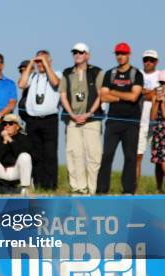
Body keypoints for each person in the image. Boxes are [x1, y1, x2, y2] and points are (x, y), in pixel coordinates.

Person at [98, 42, 144, 195]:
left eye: (123, 53)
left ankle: (128, 190)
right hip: (113, 121)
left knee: (130, 157)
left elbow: (134, 96)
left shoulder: (136, 74)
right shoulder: (110, 74)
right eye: (118, 53)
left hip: (131, 122)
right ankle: (102, 190)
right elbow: (103, 96)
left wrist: (114, 92)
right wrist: (119, 97)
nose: (120, 56)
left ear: (129, 55)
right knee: (107, 155)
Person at [59, 43, 104, 195]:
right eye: (75, 52)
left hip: (92, 119)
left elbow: (101, 95)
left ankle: (92, 189)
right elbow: (63, 95)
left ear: (87, 55)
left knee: (93, 155)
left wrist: (89, 113)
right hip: (72, 120)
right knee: (73, 154)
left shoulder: (97, 72)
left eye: (81, 52)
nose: (77, 55)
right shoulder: (67, 72)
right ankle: (78, 188)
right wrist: (72, 114)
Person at [17, 50, 61, 190]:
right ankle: (39, 183)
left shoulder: (57, 74)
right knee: (35, 154)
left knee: (50, 153)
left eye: (43, 60)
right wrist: (31, 64)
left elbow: (55, 82)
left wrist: (46, 64)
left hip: (49, 120)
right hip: (33, 120)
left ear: (50, 61)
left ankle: (51, 185)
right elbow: (21, 84)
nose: (40, 64)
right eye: (39, 61)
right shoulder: (33, 76)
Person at [0, 114, 32, 195]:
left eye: (11, 123)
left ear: (18, 127)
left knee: (25, 156)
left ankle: (25, 188)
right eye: (5, 124)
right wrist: (4, 141)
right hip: (2, 171)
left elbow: (21, 154)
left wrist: (10, 140)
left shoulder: (24, 138)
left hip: (16, 172)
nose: (7, 126)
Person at [137, 50, 162, 192]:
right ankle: (134, 190)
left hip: (156, 122)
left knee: (159, 160)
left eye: (151, 60)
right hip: (139, 121)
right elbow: (136, 93)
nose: (148, 62)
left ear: (156, 62)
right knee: (137, 157)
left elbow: (157, 95)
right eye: (146, 59)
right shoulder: (137, 74)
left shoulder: (160, 76)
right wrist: (150, 93)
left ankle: (160, 190)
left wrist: (143, 92)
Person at [150, 70, 165, 193]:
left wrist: (163, 101)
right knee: (159, 163)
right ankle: (160, 190)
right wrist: (157, 101)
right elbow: (152, 117)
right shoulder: (155, 97)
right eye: (161, 82)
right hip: (159, 135)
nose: (163, 86)